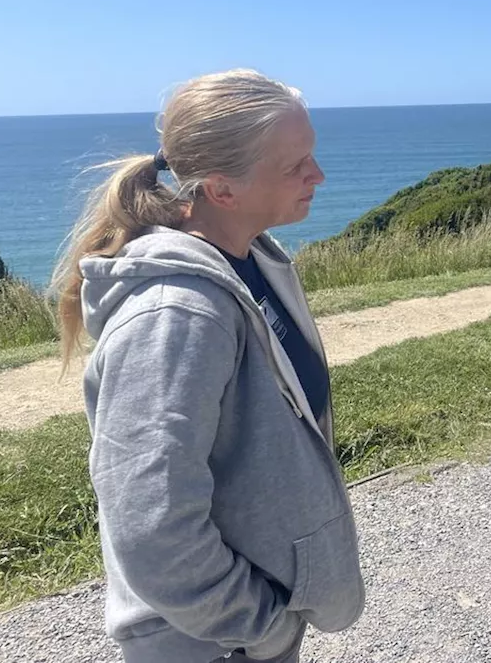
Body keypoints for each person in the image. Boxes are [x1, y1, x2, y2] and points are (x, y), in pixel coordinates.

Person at [52, 69, 364, 663]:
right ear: (221, 190)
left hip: (240, 631)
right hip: (210, 642)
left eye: (312, 156)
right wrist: (261, 627)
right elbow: (151, 527)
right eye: (295, 165)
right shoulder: (176, 313)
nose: (317, 175)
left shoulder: (255, 261)